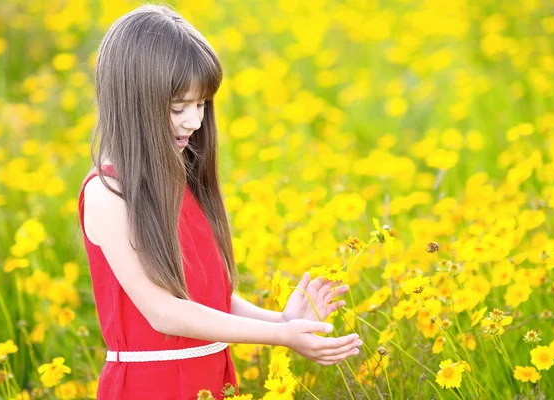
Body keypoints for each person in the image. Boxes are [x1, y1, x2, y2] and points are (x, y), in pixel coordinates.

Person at [77, 3, 362, 399]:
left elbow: (206, 298)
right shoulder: (108, 194)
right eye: (179, 107)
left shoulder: (179, 178)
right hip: (152, 388)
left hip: (212, 378)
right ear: (132, 102)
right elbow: (164, 312)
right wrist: (279, 335)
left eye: (201, 105)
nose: (194, 122)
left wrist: (281, 319)